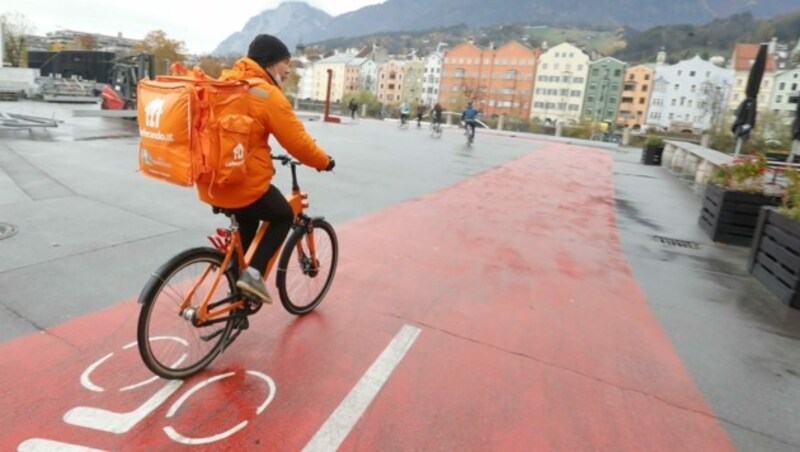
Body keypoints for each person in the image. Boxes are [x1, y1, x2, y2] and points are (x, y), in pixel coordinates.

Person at [195, 34, 335, 304]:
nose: (288, 69)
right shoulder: (266, 94)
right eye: (286, 62)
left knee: (248, 218)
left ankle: (237, 287)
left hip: (212, 180)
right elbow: (299, 143)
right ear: (271, 63)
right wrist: (324, 161)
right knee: (282, 215)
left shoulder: (226, 82)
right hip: (241, 183)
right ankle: (253, 278)